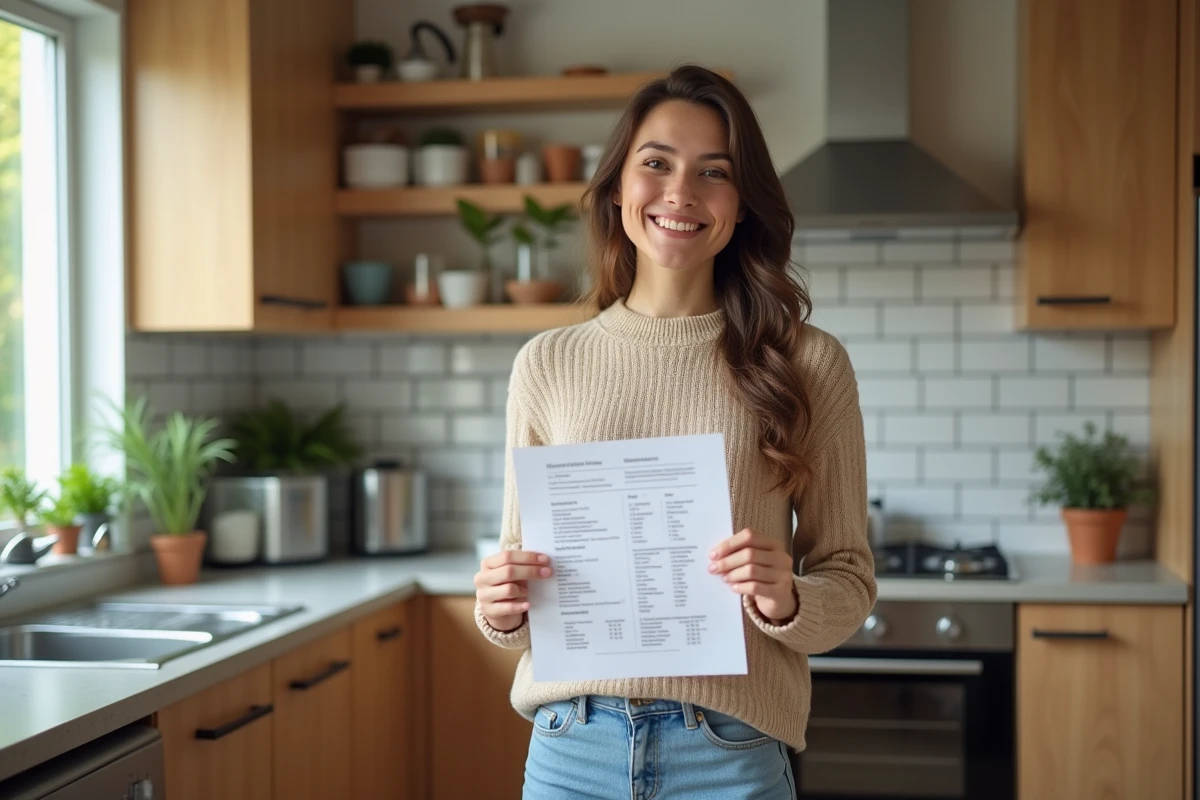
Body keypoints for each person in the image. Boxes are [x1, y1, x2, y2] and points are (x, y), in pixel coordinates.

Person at [472, 64, 877, 799]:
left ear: (743, 203)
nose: (680, 193)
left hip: (728, 752)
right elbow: (520, 582)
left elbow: (848, 578)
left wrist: (787, 599)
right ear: (617, 187)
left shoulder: (807, 363)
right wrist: (500, 607)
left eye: (713, 172)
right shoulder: (547, 363)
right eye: (656, 163)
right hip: (570, 750)